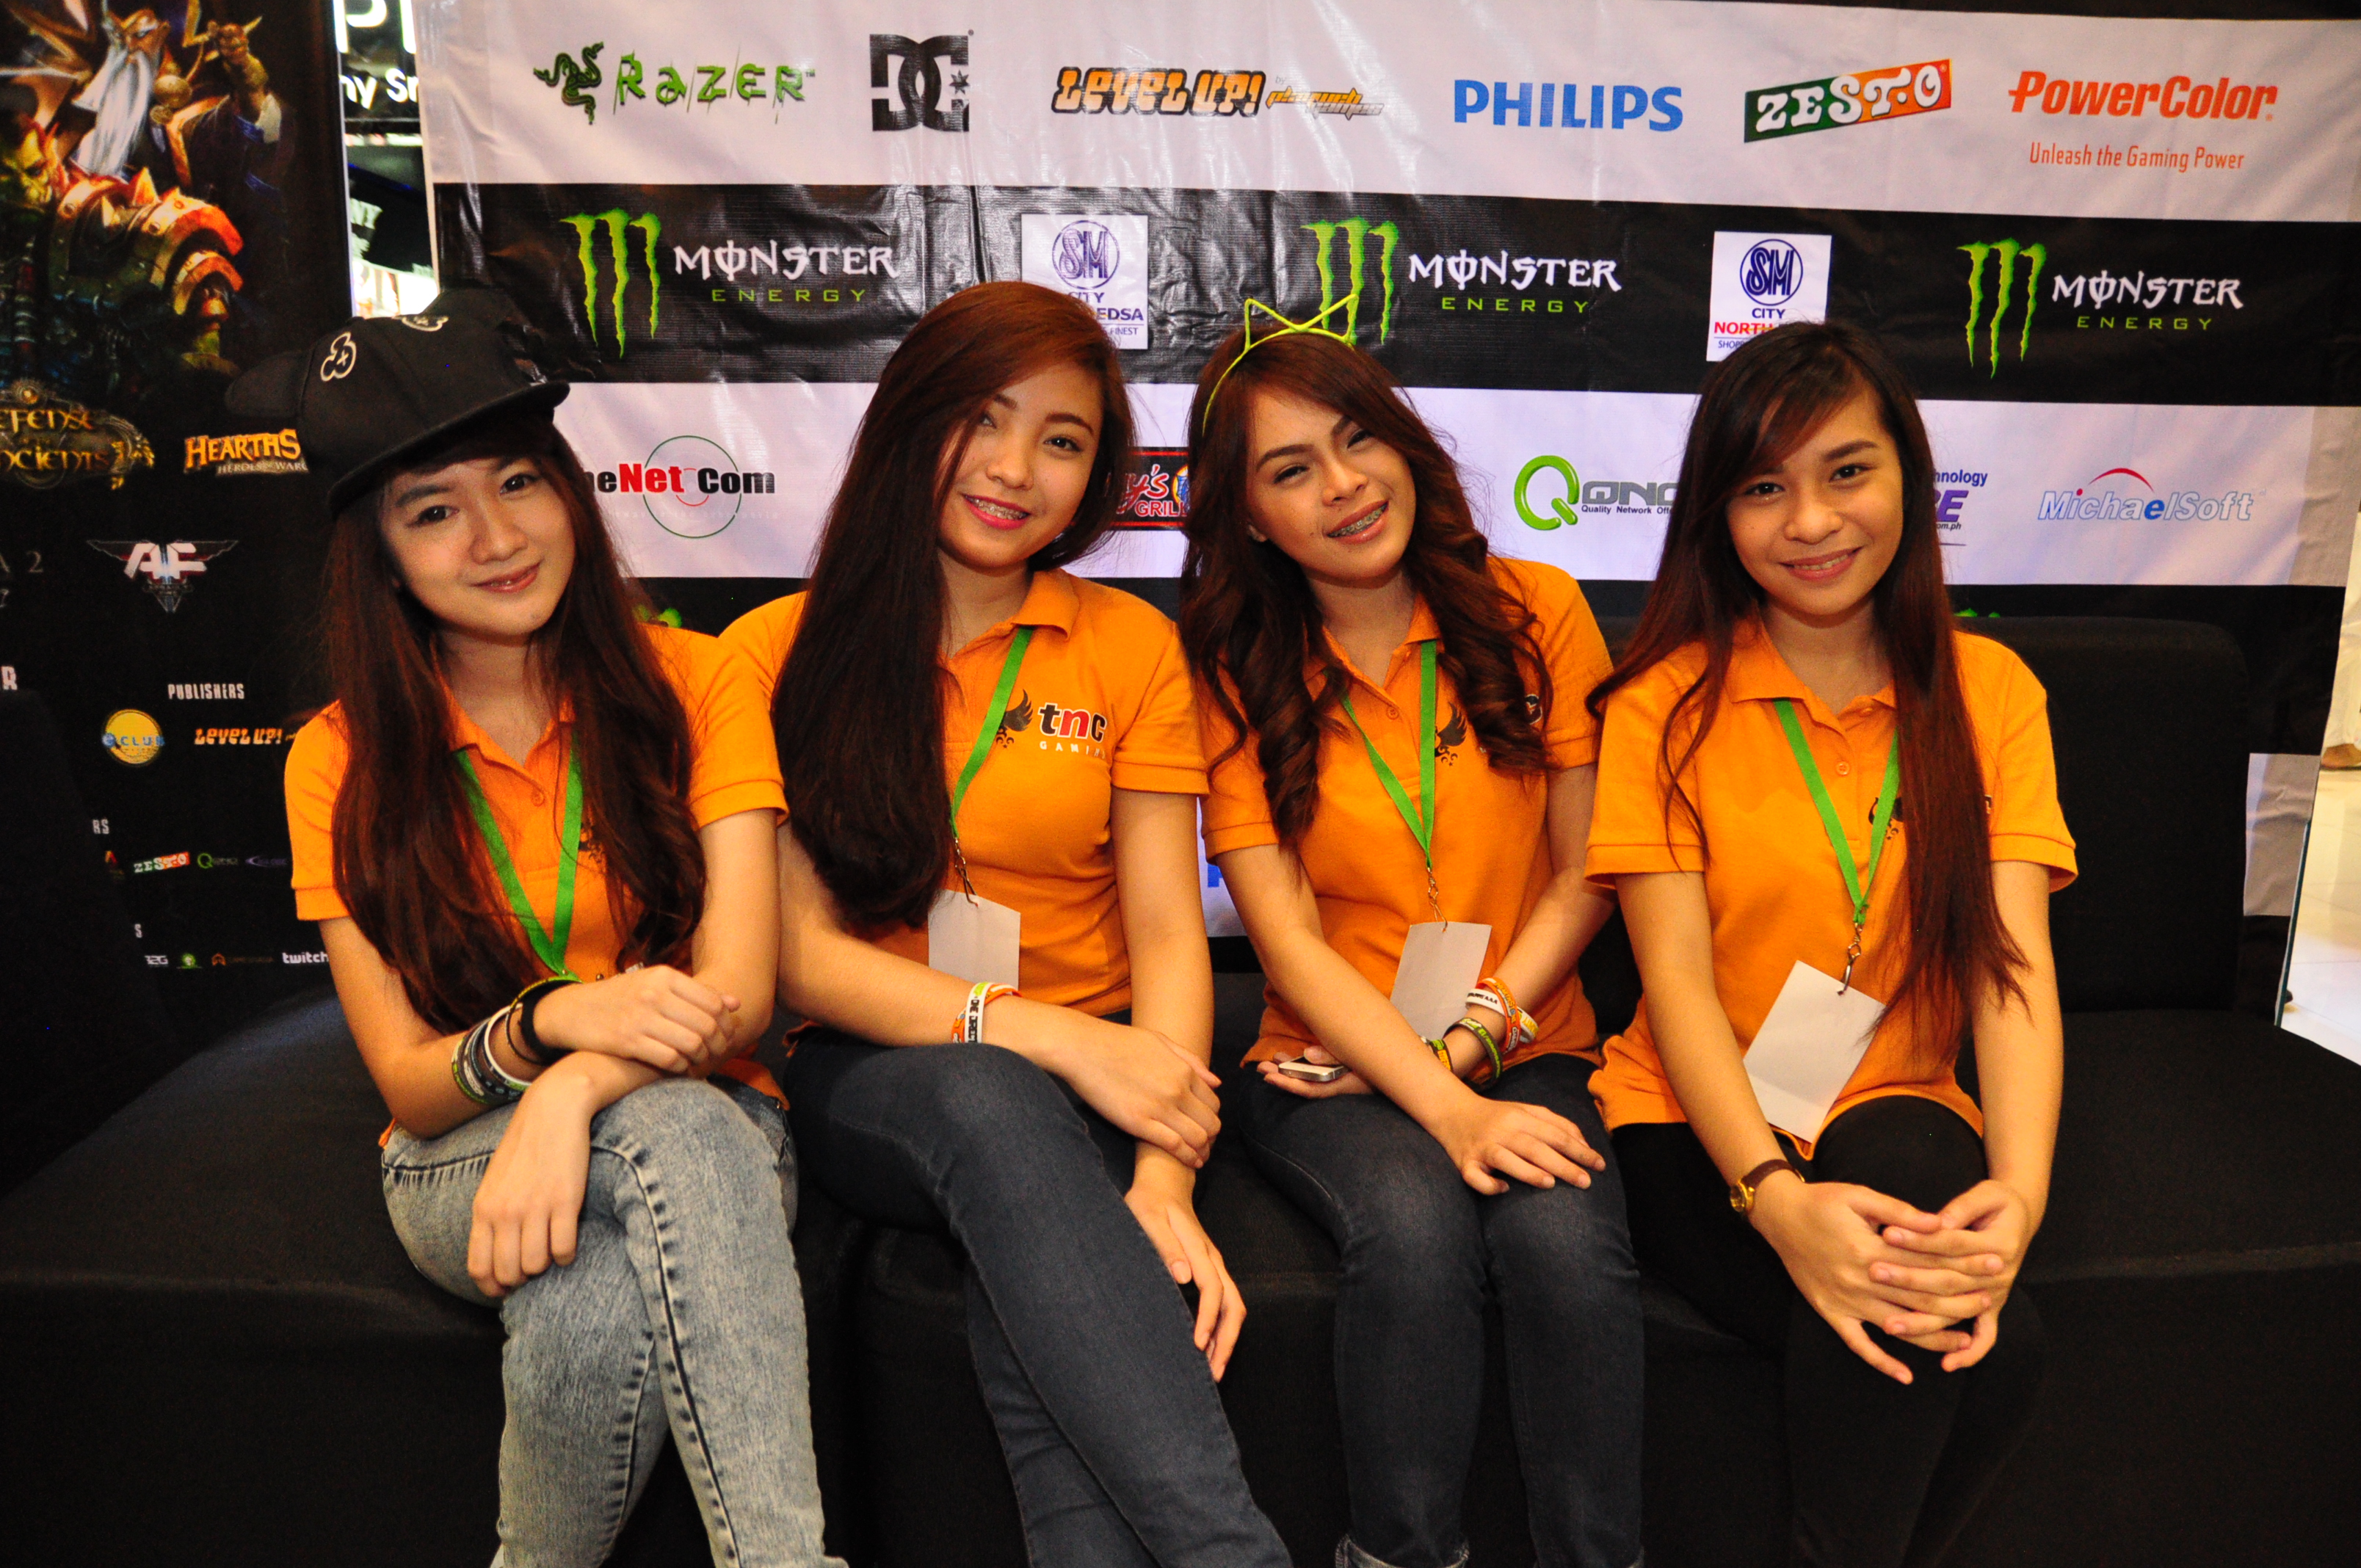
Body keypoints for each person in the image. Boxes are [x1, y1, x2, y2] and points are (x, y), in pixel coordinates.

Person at [255, 293, 840, 1567]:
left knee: (603, 1270)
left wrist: (574, 1092)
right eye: (433, 511)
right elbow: (412, 1085)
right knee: (674, 1138)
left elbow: (739, 996)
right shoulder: (334, 759)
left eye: (519, 481)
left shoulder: (698, 679)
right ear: (380, 557)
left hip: (712, 1121)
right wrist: (554, 1023)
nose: (498, 537)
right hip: (463, 1157)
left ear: (571, 490)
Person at [722, 280, 1289, 1568]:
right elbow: (800, 955)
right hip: (879, 1070)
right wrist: (1055, 1039)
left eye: (1062, 439)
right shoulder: (772, 651)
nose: (1015, 468)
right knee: (992, 1099)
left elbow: (1168, 936)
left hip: (1103, 1074)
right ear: (911, 419)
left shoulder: (1128, 646)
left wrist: (1165, 1177)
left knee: (1046, 1324)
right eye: (982, 418)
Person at [1586, 320, 2073, 1568]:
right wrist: (1776, 1200)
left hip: (1899, 1100)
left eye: (1846, 471)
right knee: (1984, 1352)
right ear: (1719, 515)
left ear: (1908, 473)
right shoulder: (1662, 705)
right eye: (1764, 488)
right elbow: (1674, 984)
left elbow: (2013, 973)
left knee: (1923, 1245)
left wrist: (2020, 1199)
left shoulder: (1991, 692)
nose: (1810, 521)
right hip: (1698, 1124)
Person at [1176, 305, 1642, 1568]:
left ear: (1404, 444)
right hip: (1328, 1060)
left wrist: (1474, 1045)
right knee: (1419, 1237)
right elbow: (1286, 943)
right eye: (1290, 471)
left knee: (1566, 1251)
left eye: (1357, 439)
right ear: (1248, 518)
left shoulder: (1535, 609)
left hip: (1529, 1037)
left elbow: (1585, 874)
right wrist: (1439, 1098)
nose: (1343, 486)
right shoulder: (1230, 667)